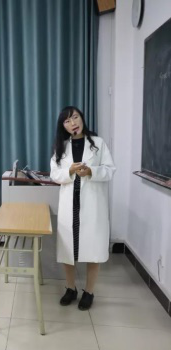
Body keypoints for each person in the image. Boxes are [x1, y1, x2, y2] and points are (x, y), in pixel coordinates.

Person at [50, 106, 116, 310]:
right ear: (63, 126)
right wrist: (69, 171)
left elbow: (110, 170)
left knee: (92, 249)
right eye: (67, 121)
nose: (73, 123)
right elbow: (54, 174)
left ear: (82, 118)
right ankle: (71, 288)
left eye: (75, 118)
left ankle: (89, 291)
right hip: (70, 205)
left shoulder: (98, 143)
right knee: (68, 249)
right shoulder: (62, 147)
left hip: (91, 205)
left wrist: (91, 172)